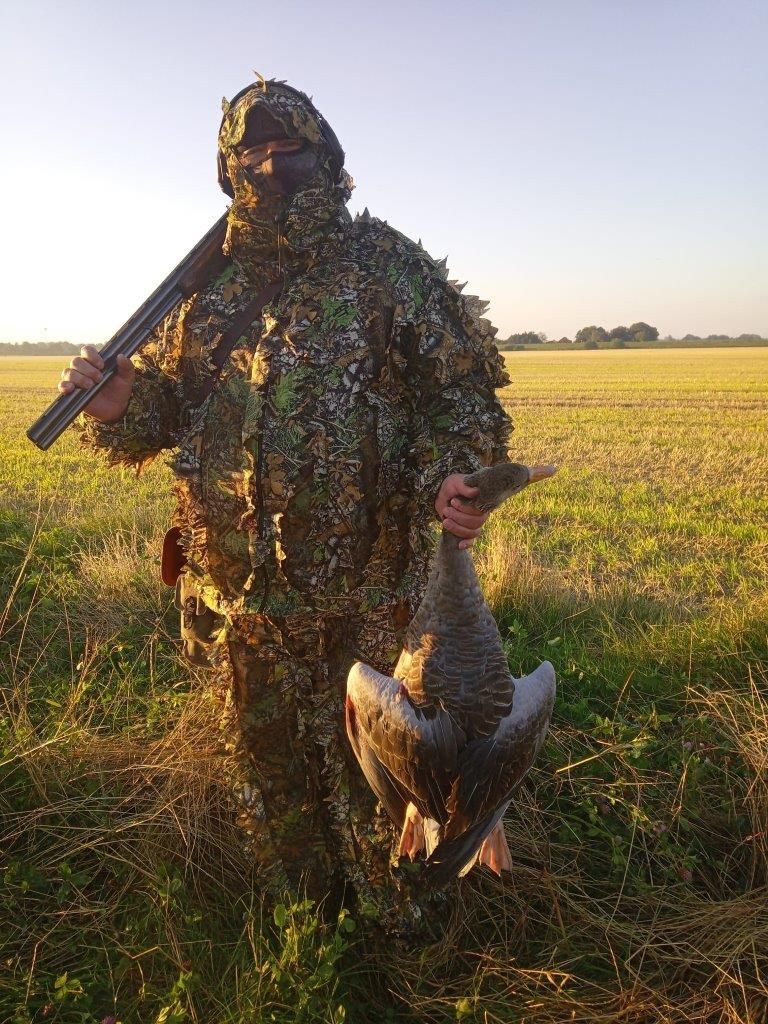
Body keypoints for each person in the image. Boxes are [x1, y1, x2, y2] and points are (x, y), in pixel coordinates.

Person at [59, 78, 512, 928]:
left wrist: (457, 475)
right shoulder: (204, 290)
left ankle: (403, 936)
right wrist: (125, 406)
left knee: (386, 780)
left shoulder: (387, 268)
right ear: (229, 168)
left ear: (327, 155)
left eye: (291, 147)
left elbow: (464, 397)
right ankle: (307, 935)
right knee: (273, 786)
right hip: (239, 603)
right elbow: (173, 410)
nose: (274, 165)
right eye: (253, 152)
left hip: (367, 600)